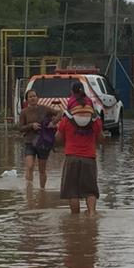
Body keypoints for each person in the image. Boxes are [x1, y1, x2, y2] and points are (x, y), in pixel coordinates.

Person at [56, 82, 104, 216]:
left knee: (72, 192)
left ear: (71, 94)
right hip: (89, 158)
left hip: (71, 157)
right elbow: (102, 139)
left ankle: (75, 220)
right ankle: (92, 215)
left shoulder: (66, 119)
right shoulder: (95, 119)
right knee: (91, 191)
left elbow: (58, 139)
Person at [18, 89, 62, 188]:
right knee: (29, 166)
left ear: (38, 98)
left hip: (43, 143)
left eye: (34, 96)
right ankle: (29, 190)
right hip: (29, 142)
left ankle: (42, 190)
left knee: (42, 169)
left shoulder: (44, 109)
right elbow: (20, 128)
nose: (33, 98)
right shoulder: (24, 112)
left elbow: (60, 112)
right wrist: (31, 126)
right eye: (30, 97)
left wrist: (53, 122)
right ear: (27, 100)